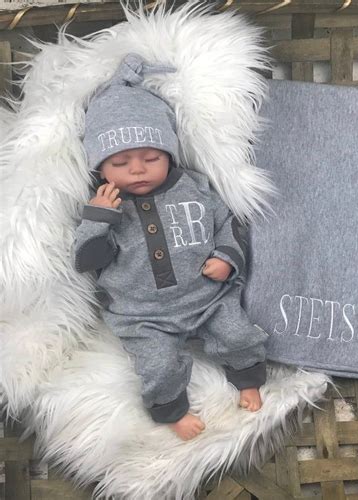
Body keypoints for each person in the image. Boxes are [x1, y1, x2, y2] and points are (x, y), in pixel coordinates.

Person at [74, 53, 268, 440]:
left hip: (206, 298)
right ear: (100, 167)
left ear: (169, 154)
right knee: (158, 365)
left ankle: (248, 380)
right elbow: (88, 260)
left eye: (151, 157)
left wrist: (226, 258)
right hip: (142, 315)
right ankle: (172, 411)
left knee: (238, 334)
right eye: (121, 163)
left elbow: (230, 223)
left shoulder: (194, 187)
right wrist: (99, 218)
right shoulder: (103, 206)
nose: (138, 169)